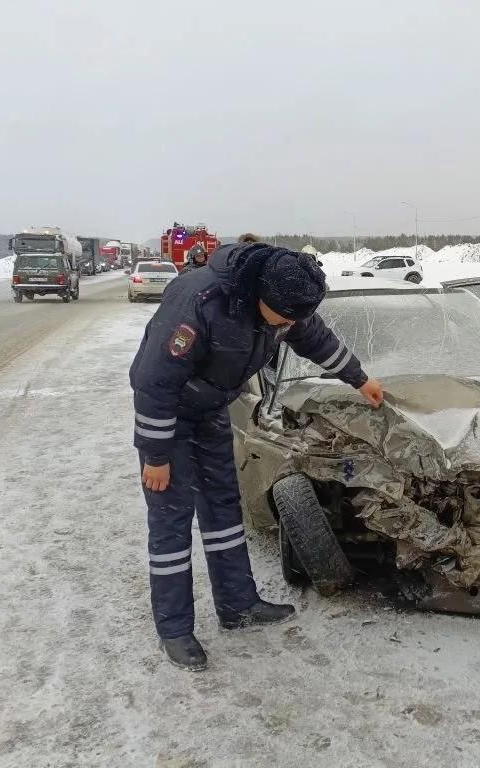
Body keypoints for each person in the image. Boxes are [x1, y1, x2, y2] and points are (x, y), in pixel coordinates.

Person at [130, 241, 385, 670]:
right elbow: (153, 381)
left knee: (223, 510)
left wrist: (359, 379)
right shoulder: (199, 304)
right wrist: (155, 454)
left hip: (211, 408)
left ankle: (238, 605)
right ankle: (174, 629)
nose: (287, 327)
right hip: (169, 417)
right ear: (259, 295)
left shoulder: (284, 301)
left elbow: (314, 337)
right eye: (282, 319)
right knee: (172, 522)